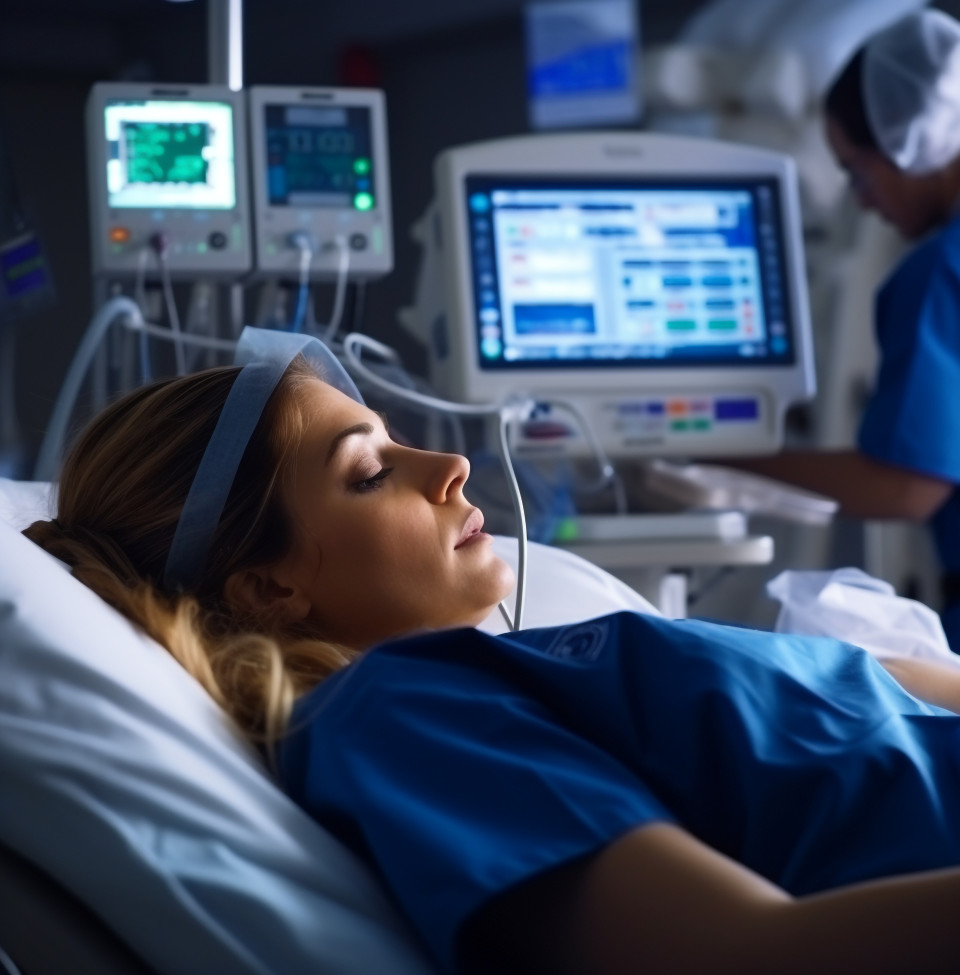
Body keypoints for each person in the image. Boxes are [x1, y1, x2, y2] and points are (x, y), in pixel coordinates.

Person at [22, 331, 960, 975]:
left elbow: (870, 693)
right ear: (269, 589)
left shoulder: (547, 659)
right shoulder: (401, 715)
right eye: (370, 472)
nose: (451, 466)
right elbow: (743, 955)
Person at [732, 8, 960, 649]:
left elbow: (905, 487)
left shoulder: (938, 272)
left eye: (857, 171)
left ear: (909, 141)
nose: (860, 199)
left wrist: (719, 456)